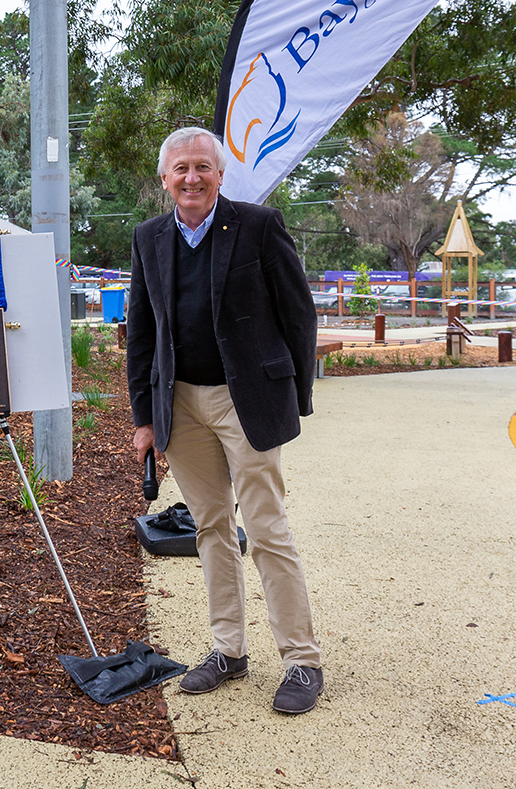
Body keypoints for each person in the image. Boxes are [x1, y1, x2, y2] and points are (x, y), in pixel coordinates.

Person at [126, 126, 325, 714]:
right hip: (179, 405)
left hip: (246, 402)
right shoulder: (149, 238)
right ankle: (227, 650)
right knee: (211, 527)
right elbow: (142, 334)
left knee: (266, 529)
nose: (191, 178)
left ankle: (302, 661)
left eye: (202, 168)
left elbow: (299, 314)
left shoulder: (259, 226)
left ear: (220, 175)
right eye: (181, 169)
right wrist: (144, 417)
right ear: (165, 179)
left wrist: (295, 397)